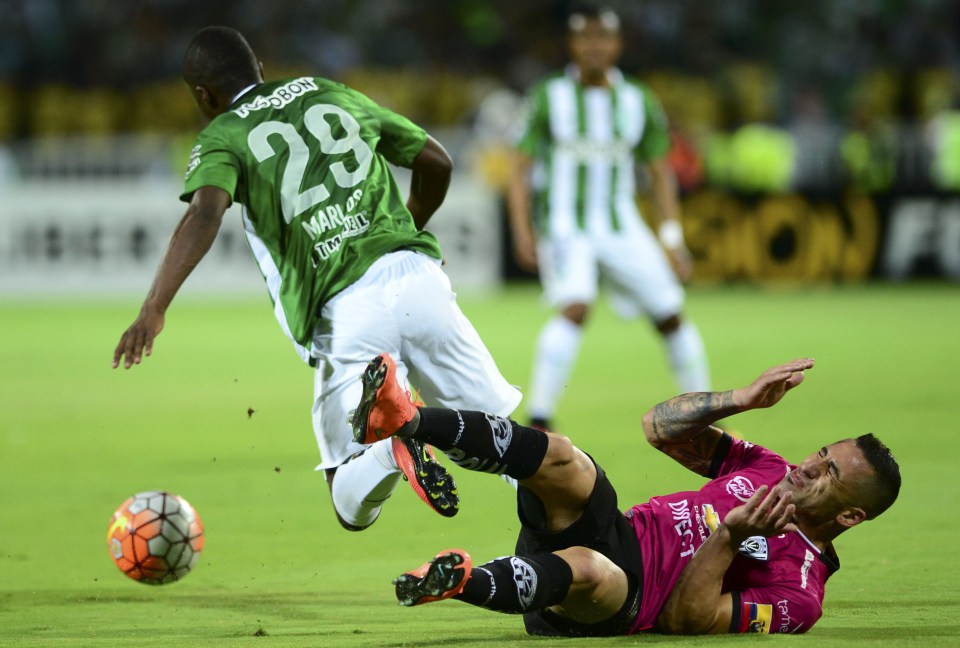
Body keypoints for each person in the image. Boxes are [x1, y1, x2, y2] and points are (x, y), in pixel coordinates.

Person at [111, 26, 521, 531]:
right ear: (259, 65)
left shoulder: (222, 136)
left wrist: (154, 307)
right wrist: (402, 231)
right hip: (419, 279)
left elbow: (205, 212)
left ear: (203, 95)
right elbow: (437, 161)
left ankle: (396, 450)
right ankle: (594, 550)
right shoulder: (327, 91)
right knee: (509, 445)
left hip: (347, 313)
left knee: (349, 502)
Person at [352, 353, 900, 636]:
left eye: (828, 474)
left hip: (627, 602)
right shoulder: (770, 468)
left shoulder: (800, 596)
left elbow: (686, 620)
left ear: (850, 515)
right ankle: (405, 417)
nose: (807, 467)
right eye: (820, 454)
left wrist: (732, 534)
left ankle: (460, 581)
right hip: (618, 528)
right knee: (564, 455)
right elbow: (659, 427)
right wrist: (740, 399)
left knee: (591, 569)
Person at [506, 5, 710, 431]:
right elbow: (519, 167)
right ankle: (541, 416)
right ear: (573, 44)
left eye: (603, 38)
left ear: (617, 45)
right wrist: (522, 229)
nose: (595, 46)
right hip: (566, 226)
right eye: (586, 38)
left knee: (670, 313)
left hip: (621, 225)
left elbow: (659, 173)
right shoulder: (548, 97)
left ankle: (704, 414)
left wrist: (672, 238)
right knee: (575, 307)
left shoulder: (637, 99)